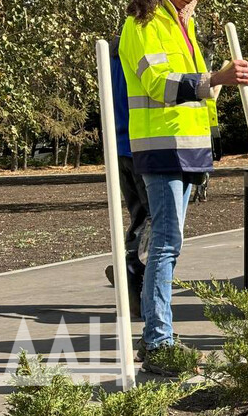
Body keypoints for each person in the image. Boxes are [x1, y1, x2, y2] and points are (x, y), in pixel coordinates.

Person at [118, 0, 248, 375]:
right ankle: (157, 341)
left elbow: (200, 94)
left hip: (189, 146)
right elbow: (159, 84)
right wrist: (215, 78)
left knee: (170, 244)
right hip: (160, 147)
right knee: (166, 243)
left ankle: (160, 334)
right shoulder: (142, 24)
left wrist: (213, 128)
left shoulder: (184, 25)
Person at [103, 36, 151, 320]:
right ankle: (132, 267)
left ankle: (130, 266)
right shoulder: (139, 57)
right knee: (155, 217)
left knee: (139, 214)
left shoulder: (109, 60)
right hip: (142, 147)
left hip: (118, 148)